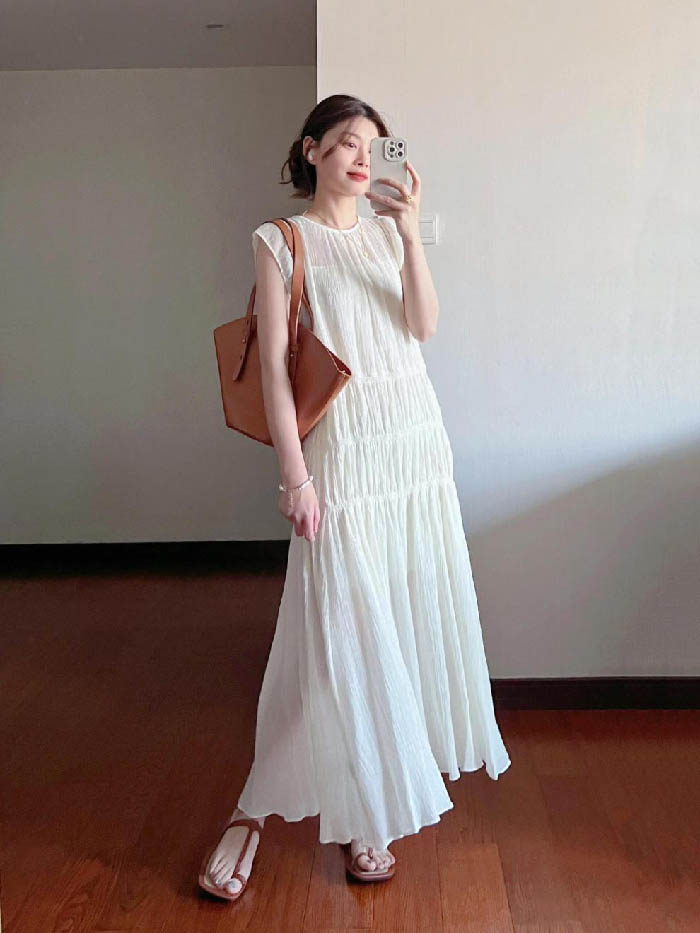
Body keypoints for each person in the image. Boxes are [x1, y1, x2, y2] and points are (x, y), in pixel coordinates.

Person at [198, 94, 511, 901]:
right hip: (343, 457)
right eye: (345, 142)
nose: (363, 157)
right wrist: (295, 476)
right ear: (310, 151)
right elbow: (276, 369)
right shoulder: (280, 238)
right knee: (330, 632)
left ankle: (366, 806)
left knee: (390, 628)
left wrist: (407, 234)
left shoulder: (382, 233)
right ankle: (251, 809)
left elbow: (423, 326)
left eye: (373, 145)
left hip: (412, 449)